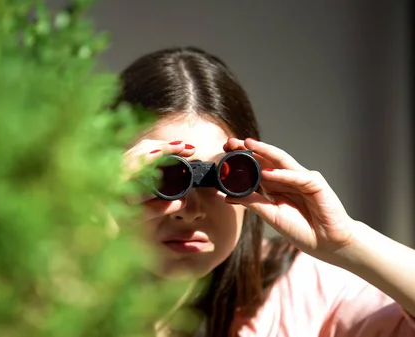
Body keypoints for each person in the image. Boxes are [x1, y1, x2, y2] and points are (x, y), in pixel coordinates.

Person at [115, 46, 415, 337]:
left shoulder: (305, 292)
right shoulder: (69, 290)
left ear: (249, 176)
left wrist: (347, 241)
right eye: (164, 178)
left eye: (222, 177)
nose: (191, 211)